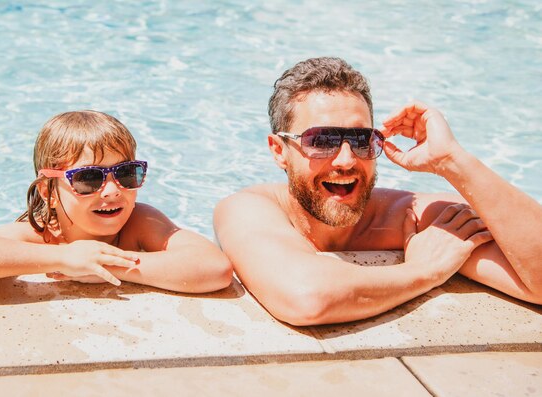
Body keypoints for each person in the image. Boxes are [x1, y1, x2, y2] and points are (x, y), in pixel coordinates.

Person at [214, 57, 542, 325]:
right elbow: (307, 297)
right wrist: (424, 271)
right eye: (321, 141)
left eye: (360, 140)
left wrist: (452, 161)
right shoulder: (246, 209)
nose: (346, 160)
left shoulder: (410, 215)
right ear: (278, 150)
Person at [0, 110, 232, 293]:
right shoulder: (42, 235)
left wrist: (106, 266)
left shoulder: (139, 221)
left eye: (126, 173)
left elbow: (213, 267)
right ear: (48, 193)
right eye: (89, 179)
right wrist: (65, 258)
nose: (112, 190)